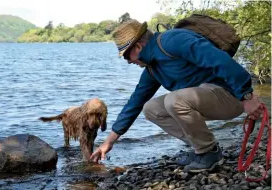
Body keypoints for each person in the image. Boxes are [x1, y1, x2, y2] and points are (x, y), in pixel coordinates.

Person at [90, 19, 263, 173]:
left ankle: (207, 153)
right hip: (207, 100)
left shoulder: (174, 40)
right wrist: (109, 141)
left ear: (138, 46)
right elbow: (134, 103)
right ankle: (202, 149)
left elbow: (221, 61)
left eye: (127, 55)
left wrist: (246, 96)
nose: (128, 61)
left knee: (174, 100)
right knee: (150, 109)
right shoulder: (153, 68)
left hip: (231, 96)